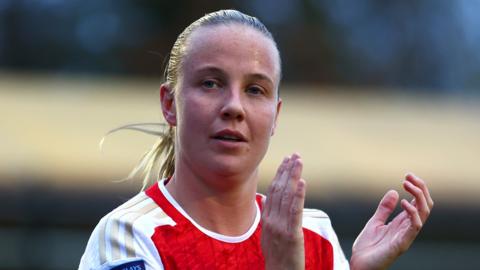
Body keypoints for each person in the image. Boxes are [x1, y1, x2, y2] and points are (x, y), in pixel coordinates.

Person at [79, 9, 433, 270]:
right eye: (211, 83)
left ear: (276, 116)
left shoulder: (314, 235)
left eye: (254, 89)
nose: (234, 106)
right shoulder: (128, 236)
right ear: (170, 104)